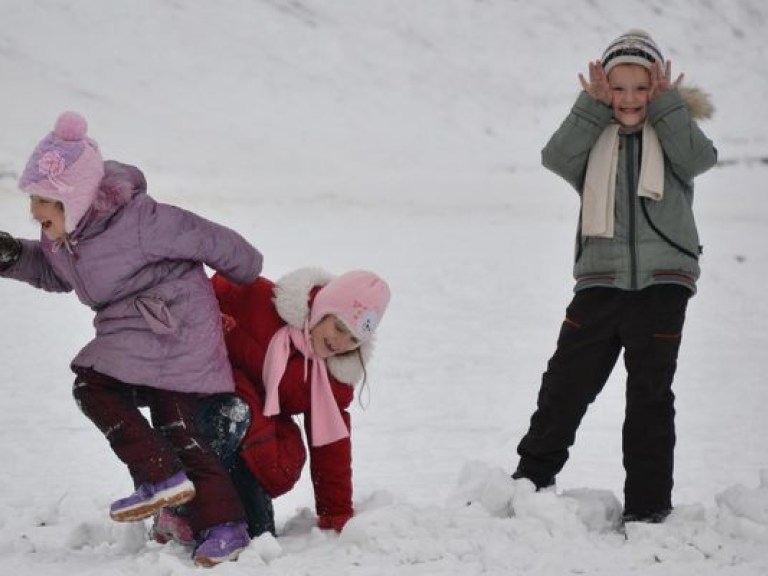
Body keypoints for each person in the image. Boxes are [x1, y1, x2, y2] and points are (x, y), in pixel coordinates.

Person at [0, 111, 263, 566]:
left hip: (177, 328)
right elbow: (51, 269)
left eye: (45, 218)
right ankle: (190, 499)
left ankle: (200, 508)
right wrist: (9, 255)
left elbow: (206, 237)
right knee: (134, 405)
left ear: (76, 203)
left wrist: (246, 270)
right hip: (135, 337)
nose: (40, 227)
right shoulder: (66, 241)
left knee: (144, 406)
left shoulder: (140, 220)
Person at [511, 30, 717, 523]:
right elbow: (555, 158)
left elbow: (699, 160)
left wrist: (668, 109)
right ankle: (529, 484)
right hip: (599, 283)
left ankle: (648, 510)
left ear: (657, 88)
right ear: (605, 88)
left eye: (641, 88)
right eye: (618, 88)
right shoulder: (592, 138)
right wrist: (590, 107)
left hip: (664, 282)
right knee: (565, 385)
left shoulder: (673, 132)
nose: (629, 99)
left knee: (649, 396)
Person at [150, 267, 391, 542]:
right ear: (323, 308)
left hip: (254, 433)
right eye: (339, 327)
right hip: (199, 401)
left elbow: (330, 444)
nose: (341, 342)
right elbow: (197, 292)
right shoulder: (259, 300)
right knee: (232, 412)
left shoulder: (330, 378)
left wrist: (335, 512)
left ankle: (218, 517)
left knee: (258, 539)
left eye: (354, 340)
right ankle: (176, 507)